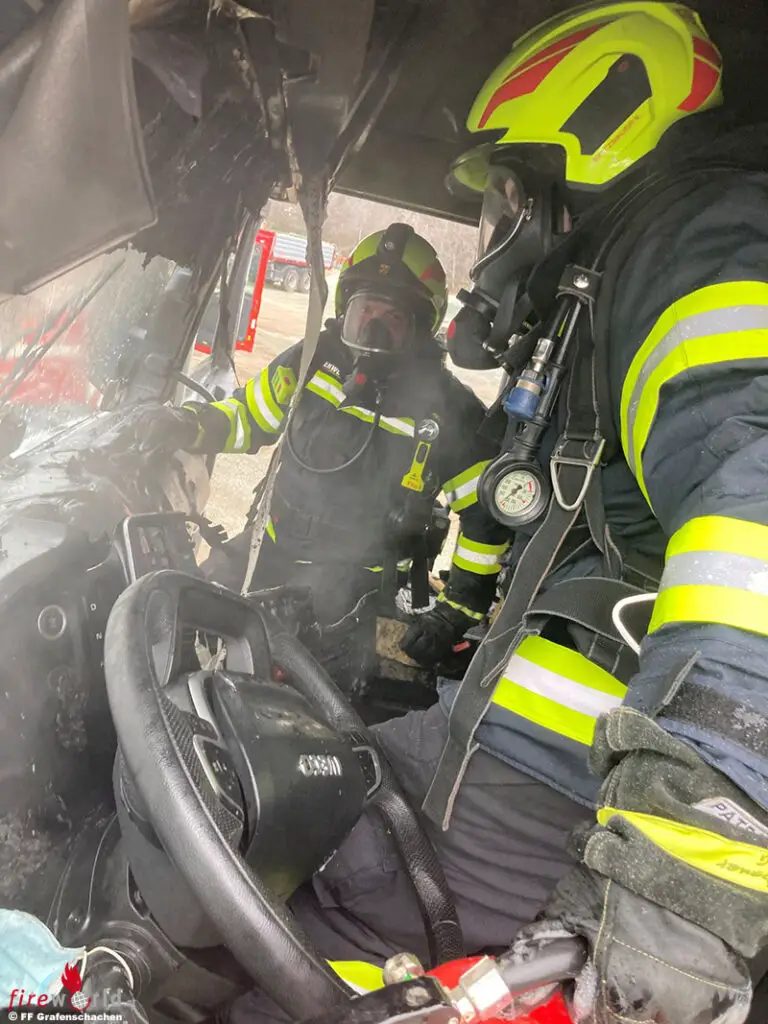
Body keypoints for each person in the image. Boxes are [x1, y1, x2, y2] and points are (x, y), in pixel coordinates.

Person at [216, 3, 768, 1022]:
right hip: (512, 744)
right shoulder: (612, 292)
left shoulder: (699, 246)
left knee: (279, 933)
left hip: (562, 782)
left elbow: (757, 504)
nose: (494, 228)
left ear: (592, 140)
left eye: (504, 195)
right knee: (258, 806)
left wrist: (690, 864)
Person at [136, 224, 510, 680]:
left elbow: (486, 519)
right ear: (344, 309)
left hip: (363, 584)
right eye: (364, 310)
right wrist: (185, 425)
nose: (372, 328)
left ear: (422, 326)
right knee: (175, 622)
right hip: (267, 549)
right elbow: (248, 417)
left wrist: (455, 612)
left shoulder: (450, 411)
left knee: (318, 687)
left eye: (392, 318)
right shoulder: (311, 359)